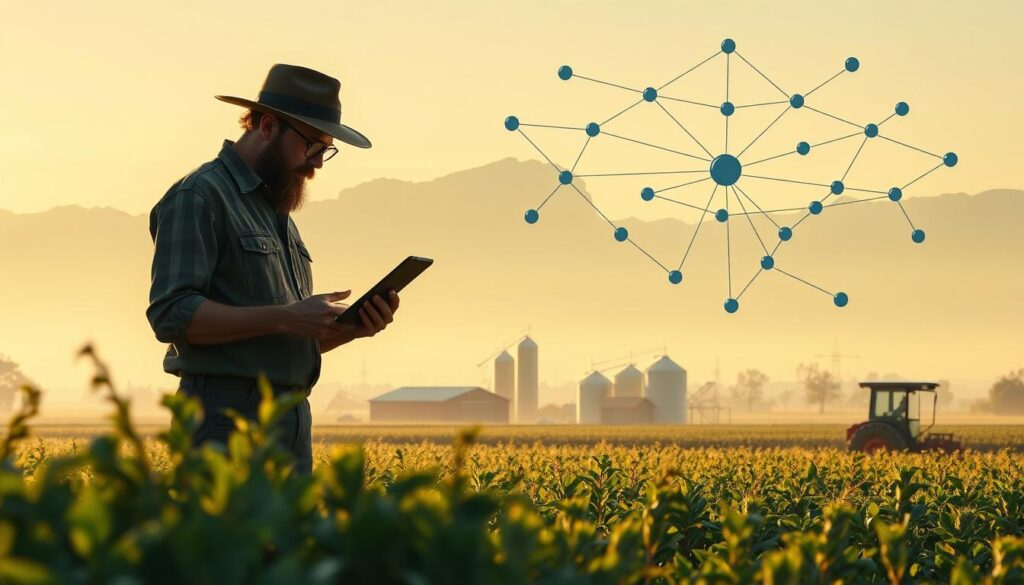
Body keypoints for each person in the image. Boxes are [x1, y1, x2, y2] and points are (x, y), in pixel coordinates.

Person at [146, 64, 400, 475]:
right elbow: (171, 315)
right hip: (226, 422)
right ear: (266, 125)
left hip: (291, 421)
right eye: (313, 147)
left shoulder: (277, 212)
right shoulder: (199, 196)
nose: (317, 164)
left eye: (325, 150)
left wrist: (347, 330)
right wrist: (288, 317)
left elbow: (275, 338)